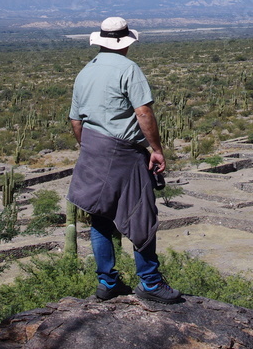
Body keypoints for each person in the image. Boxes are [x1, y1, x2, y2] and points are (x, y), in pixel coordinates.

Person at [66, 16, 182, 304]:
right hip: (124, 152)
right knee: (141, 214)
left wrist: (89, 147)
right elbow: (143, 113)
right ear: (125, 43)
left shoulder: (85, 72)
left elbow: (75, 120)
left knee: (101, 217)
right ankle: (151, 283)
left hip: (93, 149)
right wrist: (156, 148)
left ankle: (107, 282)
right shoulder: (129, 69)